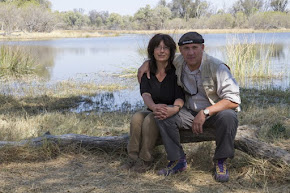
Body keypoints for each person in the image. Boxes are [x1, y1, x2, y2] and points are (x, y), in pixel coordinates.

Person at [137, 32, 241, 182]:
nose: (191, 52)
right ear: (180, 50)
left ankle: (220, 161)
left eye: (194, 47)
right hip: (188, 113)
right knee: (163, 113)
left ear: (202, 47)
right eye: (186, 48)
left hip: (213, 113)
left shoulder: (217, 67)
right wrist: (146, 63)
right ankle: (178, 160)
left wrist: (205, 112)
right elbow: (160, 57)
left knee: (229, 116)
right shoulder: (179, 62)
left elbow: (233, 100)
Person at [121, 33, 185, 173]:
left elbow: (180, 96)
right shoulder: (147, 70)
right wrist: (153, 106)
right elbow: (145, 93)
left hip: (171, 111)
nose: (161, 51)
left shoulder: (176, 70)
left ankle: (146, 160)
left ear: (171, 51)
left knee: (150, 119)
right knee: (137, 117)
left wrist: (174, 109)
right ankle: (132, 158)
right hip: (154, 108)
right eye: (157, 47)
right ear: (152, 50)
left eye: (165, 48)